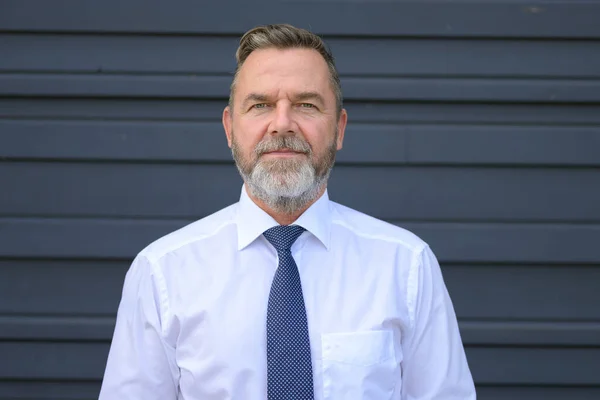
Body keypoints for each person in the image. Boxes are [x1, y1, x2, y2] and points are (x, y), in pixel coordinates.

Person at [98, 24, 476, 400]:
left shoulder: (406, 267)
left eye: (306, 105)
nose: (281, 124)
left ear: (339, 129)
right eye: (260, 105)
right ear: (230, 128)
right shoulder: (162, 273)